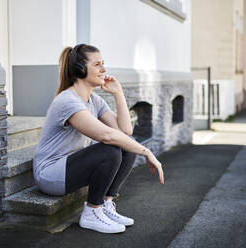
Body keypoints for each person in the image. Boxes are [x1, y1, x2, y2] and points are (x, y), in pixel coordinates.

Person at [33, 44, 164, 234]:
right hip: (50, 174)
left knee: (126, 146)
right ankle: (91, 212)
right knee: (109, 149)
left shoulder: (94, 100)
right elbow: (107, 136)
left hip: (69, 167)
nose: (104, 69)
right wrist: (146, 151)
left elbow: (125, 132)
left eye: (103, 64)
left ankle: (105, 204)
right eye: (97, 64)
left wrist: (118, 93)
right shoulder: (68, 101)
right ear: (80, 69)